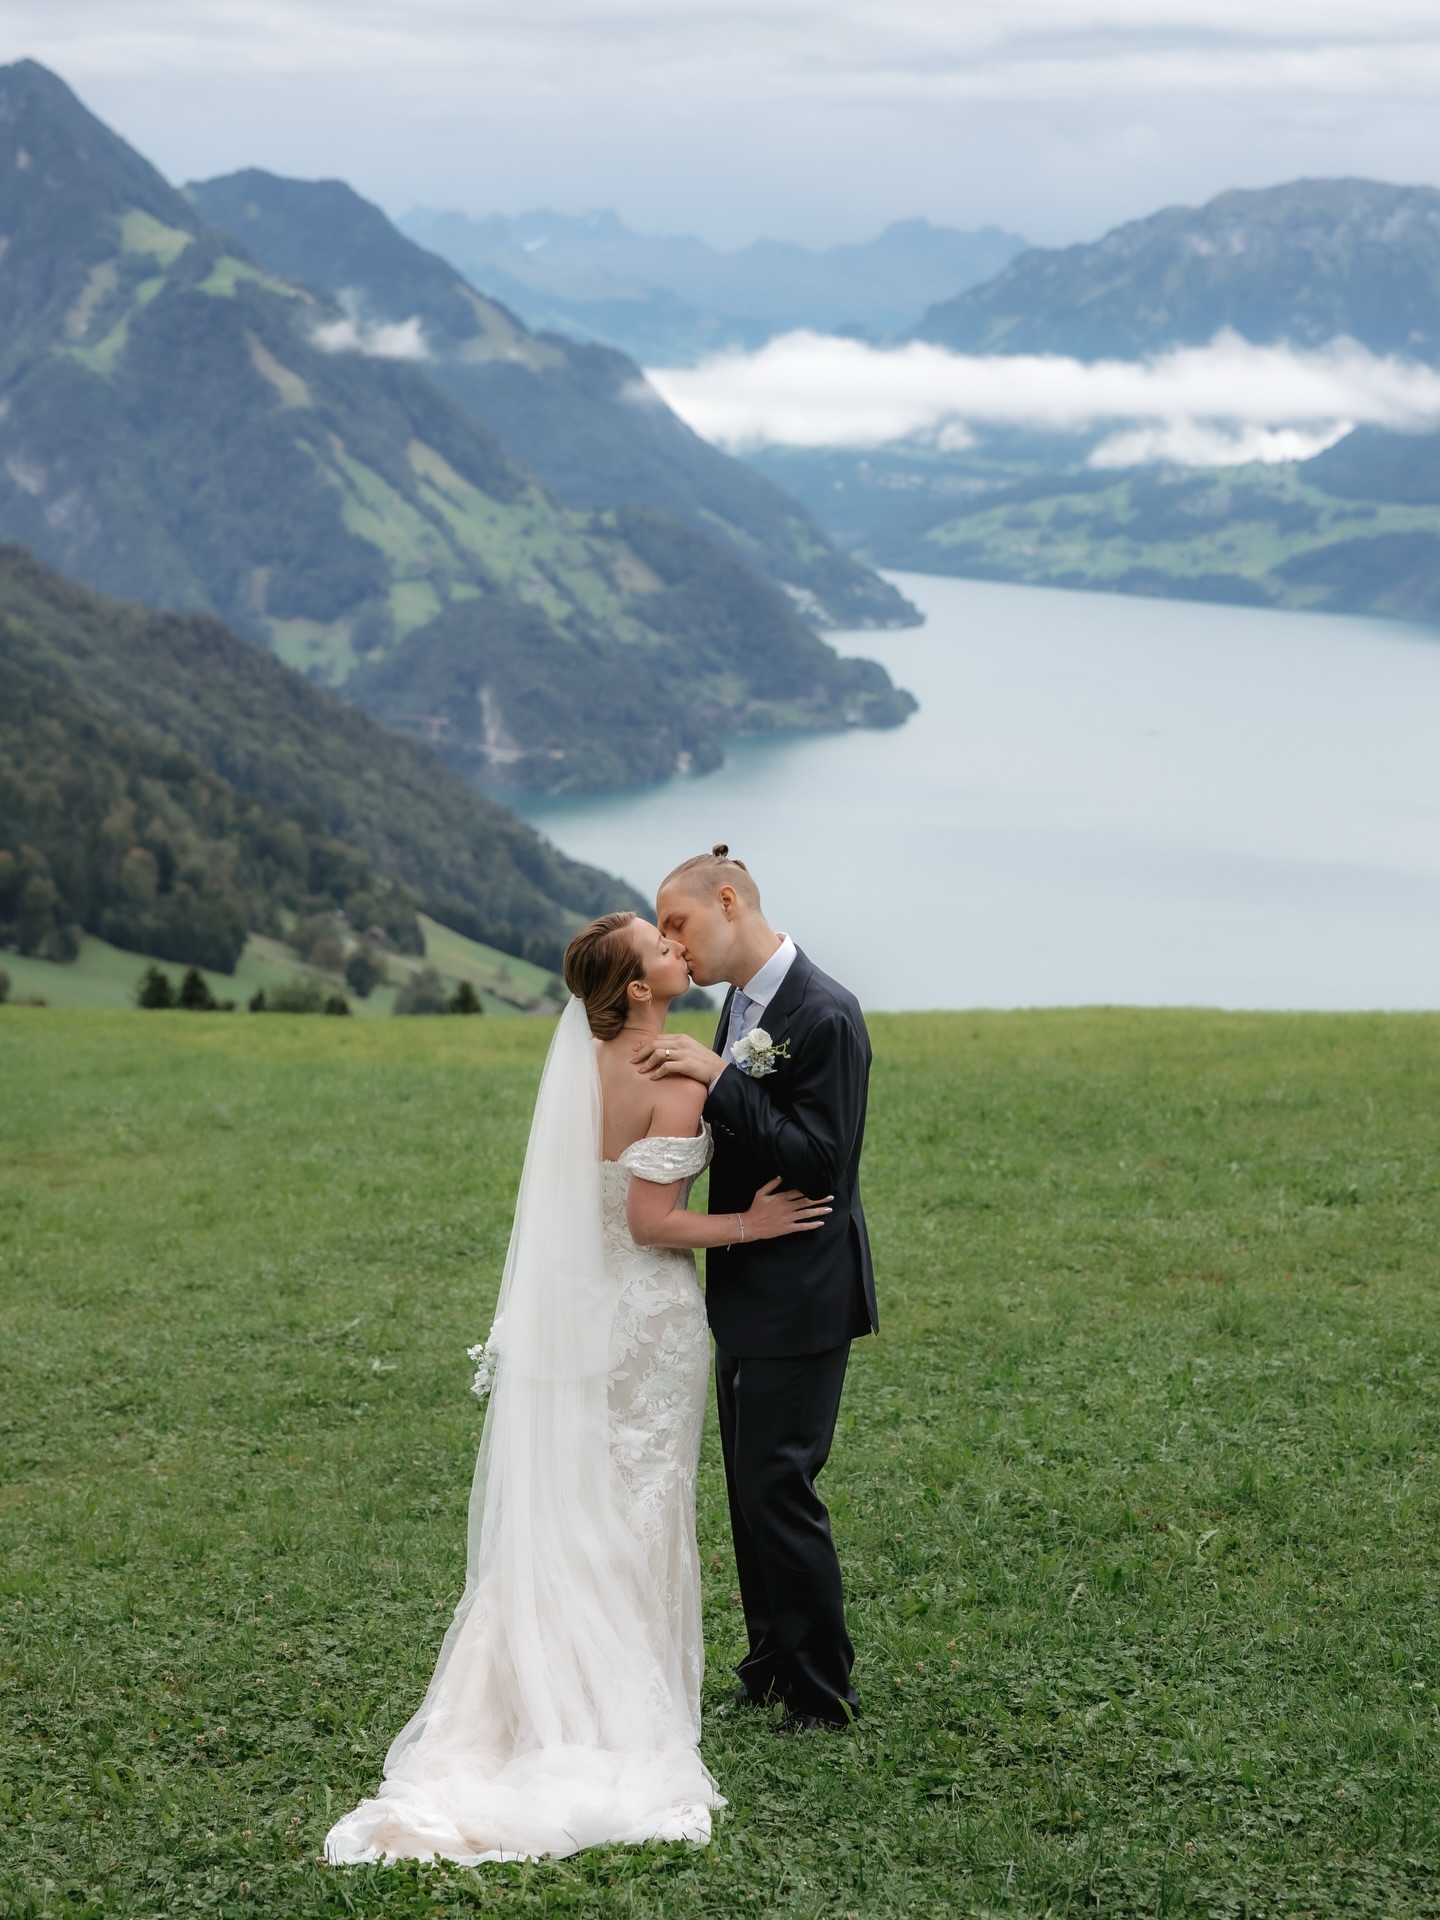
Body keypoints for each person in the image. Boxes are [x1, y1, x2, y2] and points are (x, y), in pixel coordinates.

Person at [325, 911, 829, 1866]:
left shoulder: (582, 1072)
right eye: (661, 947)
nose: (678, 948)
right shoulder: (670, 1078)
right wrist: (751, 1228)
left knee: (574, 1504)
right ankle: (615, 1700)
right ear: (638, 989)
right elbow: (648, 1221)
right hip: (647, 1321)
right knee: (640, 1503)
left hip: (576, 1316)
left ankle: (533, 1686)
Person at [635, 845, 876, 1733]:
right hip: (744, 1284)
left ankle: (821, 1691)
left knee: (779, 1485)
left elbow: (821, 1162)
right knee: (747, 1489)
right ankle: (771, 1664)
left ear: (729, 902)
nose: (673, 944)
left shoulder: (827, 1013)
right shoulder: (740, 1004)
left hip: (803, 1290)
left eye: (679, 924)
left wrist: (719, 1078)